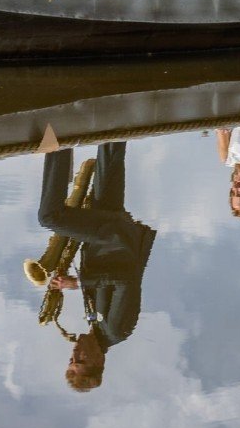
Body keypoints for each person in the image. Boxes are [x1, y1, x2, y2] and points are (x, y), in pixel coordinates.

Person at [36, 142, 156, 391]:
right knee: (49, 217)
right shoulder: (118, 329)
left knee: (111, 149)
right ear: (99, 360)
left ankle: (113, 113)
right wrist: (77, 284)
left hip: (107, 236)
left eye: (71, 359)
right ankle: (57, 142)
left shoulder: (96, 326)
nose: (74, 353)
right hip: (112, 237)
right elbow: (127, 281)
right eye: (80, 360)